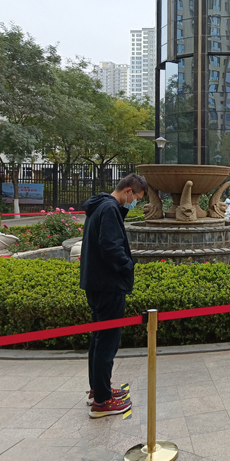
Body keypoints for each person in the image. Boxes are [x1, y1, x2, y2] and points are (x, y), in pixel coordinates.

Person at [80, 173, 147, 418]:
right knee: (107, 343)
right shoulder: (109, 209)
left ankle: (99, 389)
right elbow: (110, 246)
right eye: (136, 198)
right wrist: (128, 266)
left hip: (96, 283)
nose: (135, 203)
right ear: (128, 191)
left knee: (99, 339)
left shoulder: (100, 205)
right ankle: (102, 401)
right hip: (108, 285)